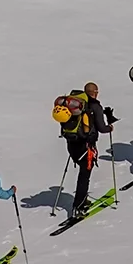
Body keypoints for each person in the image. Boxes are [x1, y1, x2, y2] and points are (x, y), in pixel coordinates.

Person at [52, 84, 115, 216]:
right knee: (84, 175)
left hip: (72, 143)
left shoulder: (75, 105)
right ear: (95, 92)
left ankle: (82, 200)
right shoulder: (95, 107)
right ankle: (79, 206)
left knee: (83, 173)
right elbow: (102, 128)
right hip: (86, 146)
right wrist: (110, 127)